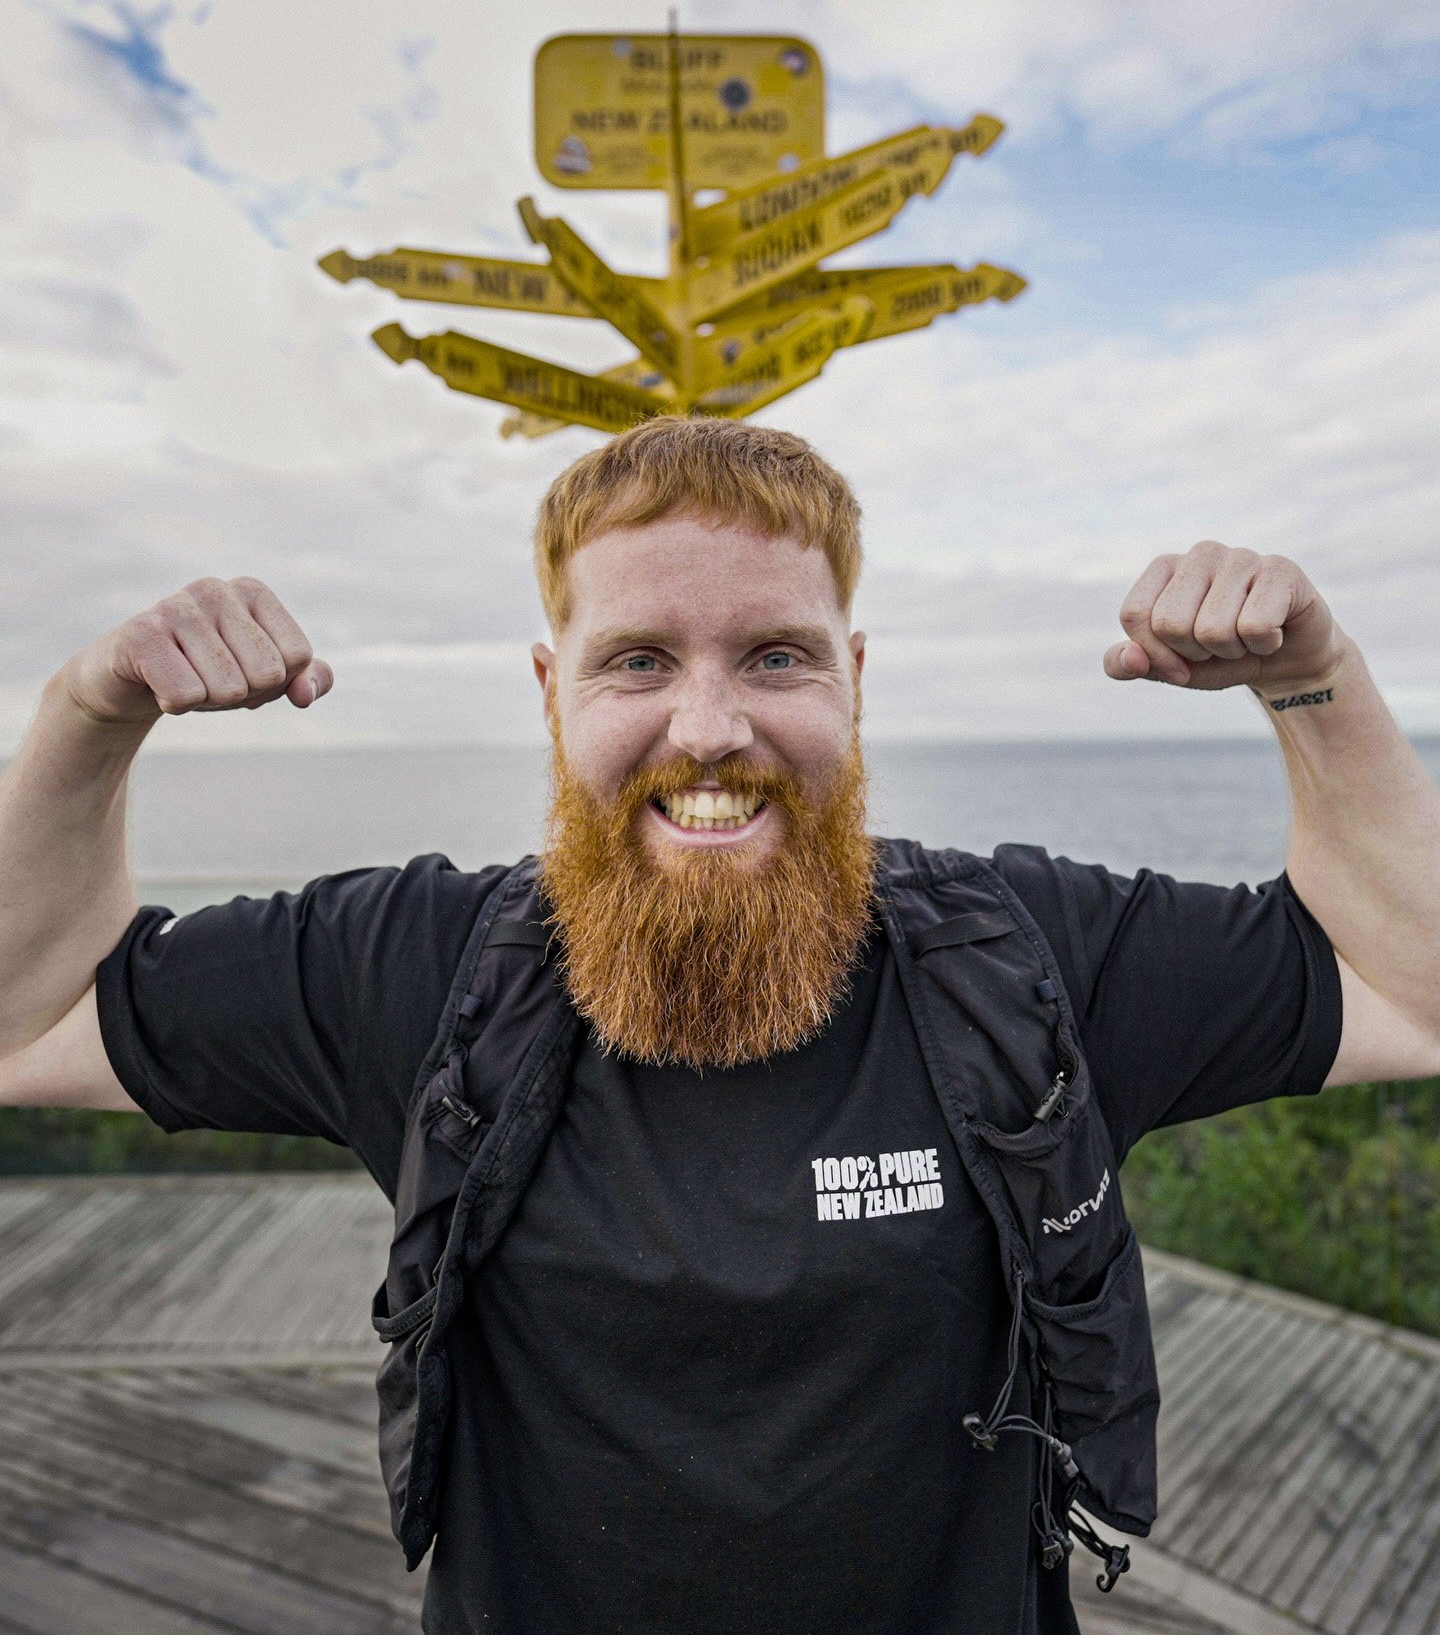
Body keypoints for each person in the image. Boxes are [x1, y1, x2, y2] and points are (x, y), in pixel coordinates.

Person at [1, 414, 1437, 1635]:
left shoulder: (1026, 956)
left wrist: (1310, 675)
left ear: (854, 684)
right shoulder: (422, 966)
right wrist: (87, 713)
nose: (707, 729)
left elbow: (1410, 992)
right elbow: (25, 1024)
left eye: (774, 657)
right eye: (637, 661)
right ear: (552, 694)